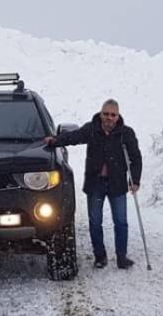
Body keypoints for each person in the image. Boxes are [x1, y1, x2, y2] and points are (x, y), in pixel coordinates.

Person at [44, 98, 142, 269]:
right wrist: (55, 140)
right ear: (101, 114)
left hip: (117, 184)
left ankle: (121, 257)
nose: (109, 118)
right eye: (106, 114)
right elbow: (73, 137)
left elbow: (136, 158)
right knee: (95, 221)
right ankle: (100, 256)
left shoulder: (126, 133)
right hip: (95, 183)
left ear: (118, 116)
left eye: (113, 115)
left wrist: (135, 179)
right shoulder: (92, 129)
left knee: (121, 222)